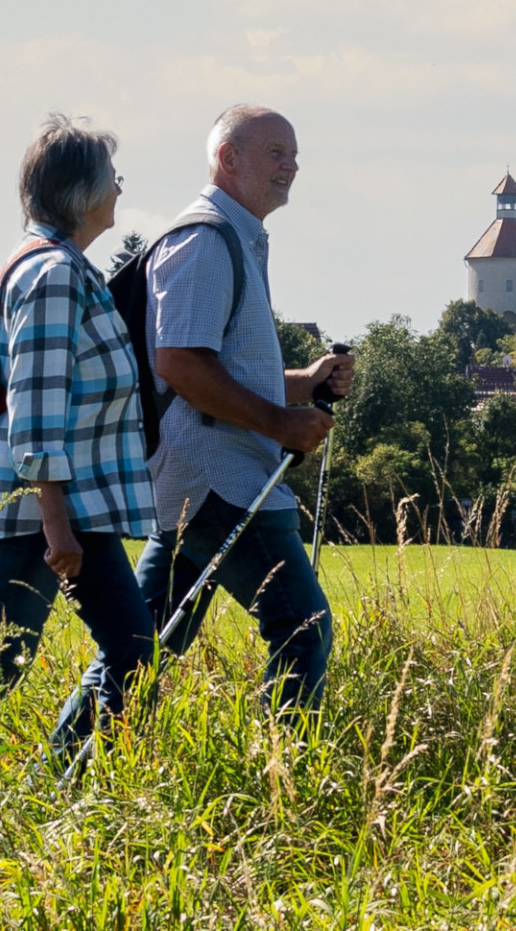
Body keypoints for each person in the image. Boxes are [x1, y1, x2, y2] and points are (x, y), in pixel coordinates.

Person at [0, 114, 156, 760]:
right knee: (111, 654)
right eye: (113, 177)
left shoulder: (55, 265)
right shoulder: (54, 274)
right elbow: (38, 400)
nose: (120, 189)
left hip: (62, 505)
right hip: (51, 508)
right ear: (82, 192)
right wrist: (56, 524)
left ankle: (38, 779)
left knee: (9, 659)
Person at [134, 104, 354, 713]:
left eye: (294, 154)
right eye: (276, 152)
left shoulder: (233, 238)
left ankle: (71, 757)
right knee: (303, 629)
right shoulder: (206, 240)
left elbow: (219, 371)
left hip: (201, 479)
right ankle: (281, 764)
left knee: (141, 647)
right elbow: (180, 364)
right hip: (222, 480)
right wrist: (280, 423)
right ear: (228, 158)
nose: (292, 166)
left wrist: (304, 383)